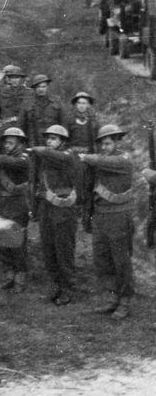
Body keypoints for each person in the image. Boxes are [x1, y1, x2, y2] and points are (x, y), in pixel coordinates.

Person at [78, 125, 136, 320]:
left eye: (108, 143)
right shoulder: (99, 163)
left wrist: (85, 157)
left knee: (121, 261)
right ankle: (112, 298)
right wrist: (88, 216)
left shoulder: (124, 159)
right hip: (101, 216)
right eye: (102, 143)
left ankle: (125, 301)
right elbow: (88, 190)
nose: (105, 146)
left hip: (119, 216)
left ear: (117, 142)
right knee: (102, 260)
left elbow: (105, 161)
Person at [30, 125, 80, 306]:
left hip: (63, 210)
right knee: (49, 249)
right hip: (46, 208)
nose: (49, 141)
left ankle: (68, 289)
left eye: (54, 138)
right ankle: (56, 285)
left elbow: (57, 156)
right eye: (48, 138)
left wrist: (39, 149)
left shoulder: (68, 155)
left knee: (64, 250)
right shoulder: (46, 158)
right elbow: (37, 185)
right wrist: (35, 210)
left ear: (63, 142)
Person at [0, 128, 30, 292]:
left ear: (20, 144)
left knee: (17, 243)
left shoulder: (23, 158)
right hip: (1, 205)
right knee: (3, 242)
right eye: (5, 142)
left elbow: (17, 164)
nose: (7, 145)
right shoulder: (2, 160)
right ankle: (9, 274)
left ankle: (20, 277)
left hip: (17, 205)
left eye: (11, 142)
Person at [27, 75, 63, 146]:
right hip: (34, 140)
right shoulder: (28, 103)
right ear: (34, 88)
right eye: (38, 87)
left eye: (43, 87)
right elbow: (21, 124)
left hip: (53, 140)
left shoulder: (56, 101)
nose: (41, 89)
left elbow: (63, 122)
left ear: (48, 87)